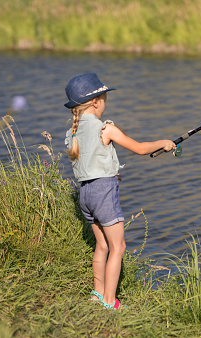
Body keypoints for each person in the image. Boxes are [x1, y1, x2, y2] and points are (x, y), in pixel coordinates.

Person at [64, 73, 175, 309]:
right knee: (119, 247)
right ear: (95, 102)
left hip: (86, 194)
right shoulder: (105, 128)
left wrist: (111, 170)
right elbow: (141, 148)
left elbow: (92, 163)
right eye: (104, 99)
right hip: (104, 193)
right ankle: (110, 302)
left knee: (102, 246)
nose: (105, 104)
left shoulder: (72, 133)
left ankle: (98, 293)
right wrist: (164, 143)